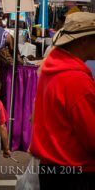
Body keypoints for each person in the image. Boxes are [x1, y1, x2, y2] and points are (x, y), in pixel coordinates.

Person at [30, 12, 95, 189]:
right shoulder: (76, 79)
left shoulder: (52, 67)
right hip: (75, 171)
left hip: (51, 167)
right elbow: (91, 137)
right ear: (83, 40)